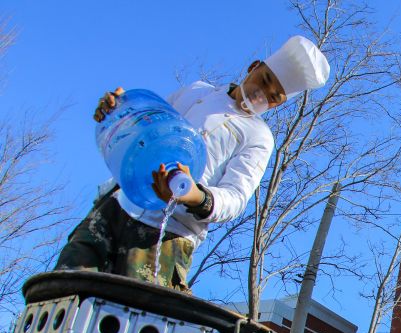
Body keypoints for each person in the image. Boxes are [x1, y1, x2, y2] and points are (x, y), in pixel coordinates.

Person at [55, 36, 330, 290]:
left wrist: (195, 196)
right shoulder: (196, 91)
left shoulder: (258, 137)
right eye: (265, 79)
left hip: (165, 235)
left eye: (273, 97)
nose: (262, 94)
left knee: (128, 311)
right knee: (64, 287)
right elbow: (147, 125)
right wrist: (119, 110)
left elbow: (235, 197)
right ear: (253, 67)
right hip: (117, 202)